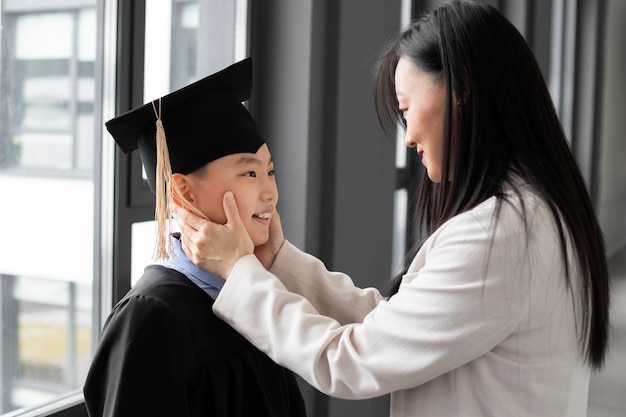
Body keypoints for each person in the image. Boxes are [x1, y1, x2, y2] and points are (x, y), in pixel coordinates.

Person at [173, 2, 610, 416]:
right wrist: (277, 262)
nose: (408, 138)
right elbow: (396, 326)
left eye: (406, 109)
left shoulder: (501, 236)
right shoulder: (533, 213)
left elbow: (352, 360)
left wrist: (239, 272)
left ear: (461, 90)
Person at [83, 58, 307, 417]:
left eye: (270, 171)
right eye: (250, 173)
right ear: (182, 192)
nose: (270, 194)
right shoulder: (151, 317)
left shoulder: (253, 291)